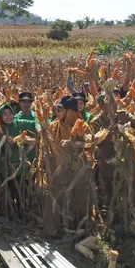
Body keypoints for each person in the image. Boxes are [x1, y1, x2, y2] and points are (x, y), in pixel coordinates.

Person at [43, 95, 92, 236]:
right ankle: (52, 230)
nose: (59, 112)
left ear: (71, 112)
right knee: (54, 198)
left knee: (80, 199)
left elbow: (89, 143)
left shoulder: (84, 126)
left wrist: (77, 142)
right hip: (59, 170)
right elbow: (47, 146)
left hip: (78, 171)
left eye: (62, 109)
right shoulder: (53, 126)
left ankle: (81, 229)